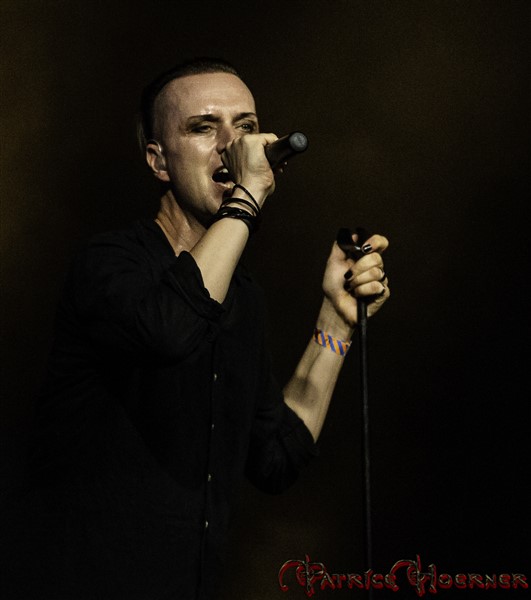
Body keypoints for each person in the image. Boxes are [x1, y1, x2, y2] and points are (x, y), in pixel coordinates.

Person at [0, 58, 389, 600]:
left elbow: (275, 458)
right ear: (158, 161)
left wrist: (336, 322)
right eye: (204, 128)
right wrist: (247, 196)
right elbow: (171, 328)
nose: (232, 146)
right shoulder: (109, 264)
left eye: (246, 127)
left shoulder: (243, 296)